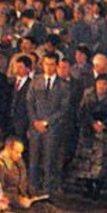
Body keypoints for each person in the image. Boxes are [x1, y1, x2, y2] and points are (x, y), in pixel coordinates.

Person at [69, 75, 107, 200]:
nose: (101, 87)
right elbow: (82, 111)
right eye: (99, 83)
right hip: (88, 132)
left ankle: (98, 188)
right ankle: (88, 186)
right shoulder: (88, 94)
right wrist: (92, 123)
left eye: (104, 84)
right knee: (86, 162)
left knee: (102, 162)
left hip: (105, 133)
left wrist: (104, 124)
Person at [26, 53, 71, 195]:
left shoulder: (64, 86)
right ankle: (32, 188)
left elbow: (63, 109)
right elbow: (29, 102)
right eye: (46, 64)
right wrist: (34, 121)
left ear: (57, 66)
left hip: (52, 128)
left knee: (49, 160)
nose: (48, 67)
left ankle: (47, 190)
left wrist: (46, 122)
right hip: (35, 126)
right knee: (33, 159)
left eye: (52, 64)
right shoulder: (35, 81)